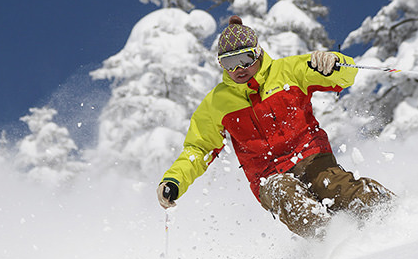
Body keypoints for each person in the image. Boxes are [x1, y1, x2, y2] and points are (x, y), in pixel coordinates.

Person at [156, 16, 393, 238]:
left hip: (310, 156)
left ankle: (391, 213)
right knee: (283, 192)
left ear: (257, 52)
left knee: (332, 186)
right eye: (230, 63)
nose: (239, 69)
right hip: (267, 175)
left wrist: (335, 64)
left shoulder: (288, 71)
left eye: (245, 59)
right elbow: (199, 148)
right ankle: (328, 240)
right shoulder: (216, 103)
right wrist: (174, 180)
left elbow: (344, 78)